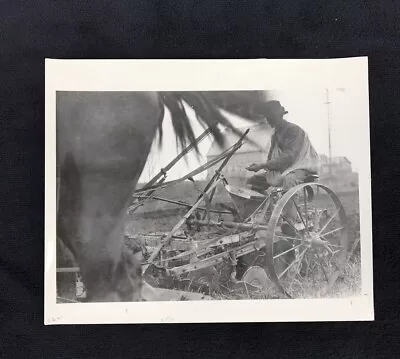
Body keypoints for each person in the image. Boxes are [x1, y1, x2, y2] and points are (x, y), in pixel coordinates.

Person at [245, 100, 320, 232]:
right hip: (287, 167)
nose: (269, 121)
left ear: (279, 116)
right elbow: (273, 157)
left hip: (303, 166)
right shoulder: (276, 134)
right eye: (268, 118)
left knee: (289, 180)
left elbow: (288, 156)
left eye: (271, 118)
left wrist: (263, 165)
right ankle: (262, 216)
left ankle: (290, 221)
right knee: (254, 180)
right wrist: (265, 167)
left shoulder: (294, 131)